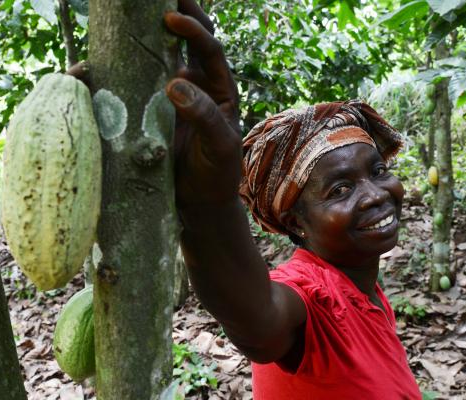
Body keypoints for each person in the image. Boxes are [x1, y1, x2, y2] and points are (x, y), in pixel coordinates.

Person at [163, 1, 422, 399]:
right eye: (339, 190)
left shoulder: (363, 286)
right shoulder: (310, 293)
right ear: (295, 222)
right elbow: (259, 322)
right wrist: (206, 203)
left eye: (377, 172)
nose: (375, 195)